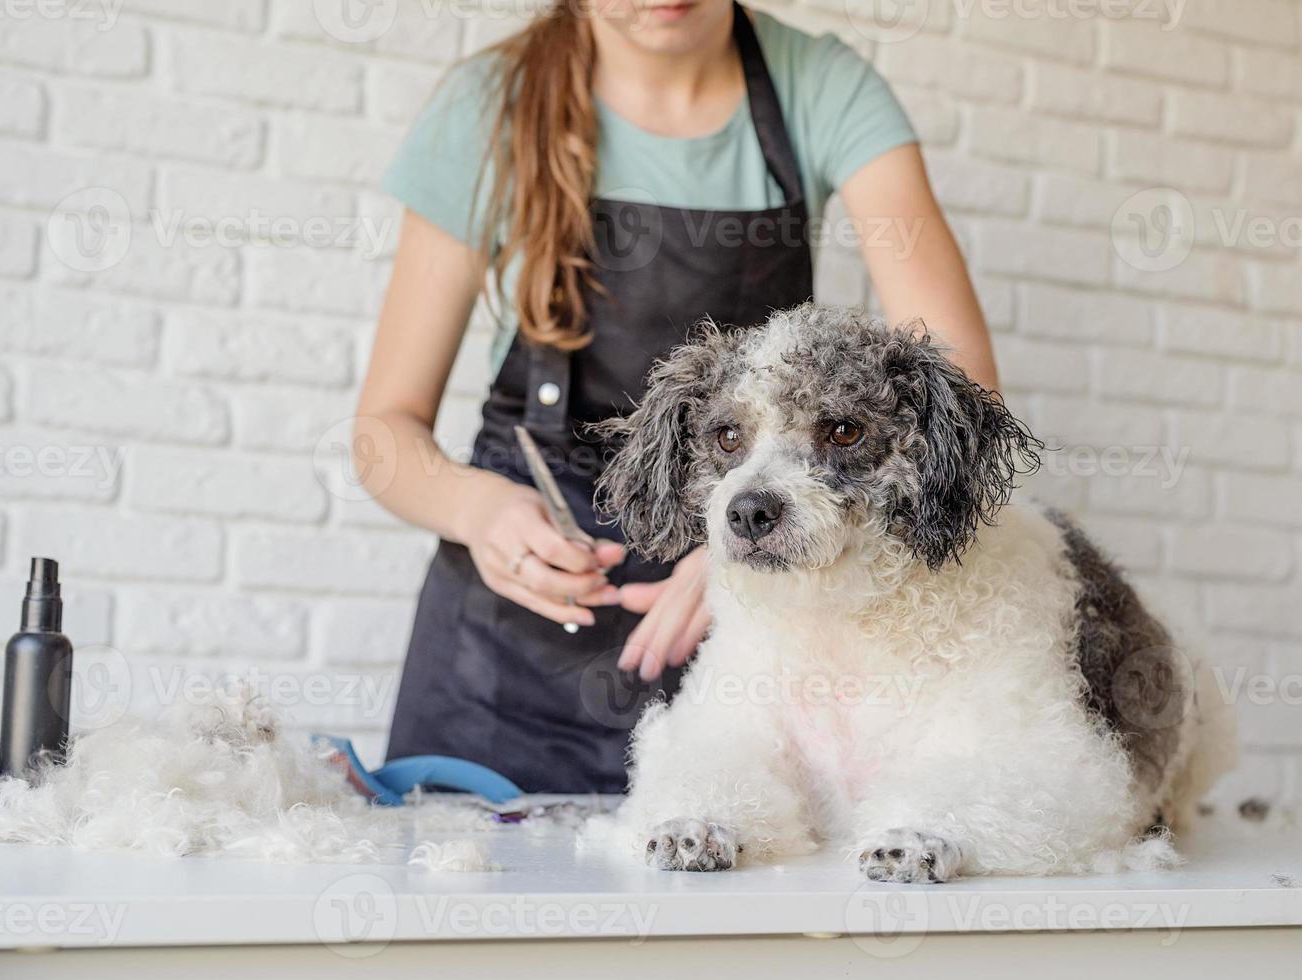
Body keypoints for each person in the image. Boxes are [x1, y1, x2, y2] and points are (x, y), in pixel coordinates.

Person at [355, 0, 1001, 792]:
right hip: (499, 657)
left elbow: (959, 391)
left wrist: (736, 555)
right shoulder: (490, 100)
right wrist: (476, 511)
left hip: (753, 636)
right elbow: (384, 432)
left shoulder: (822, 85)